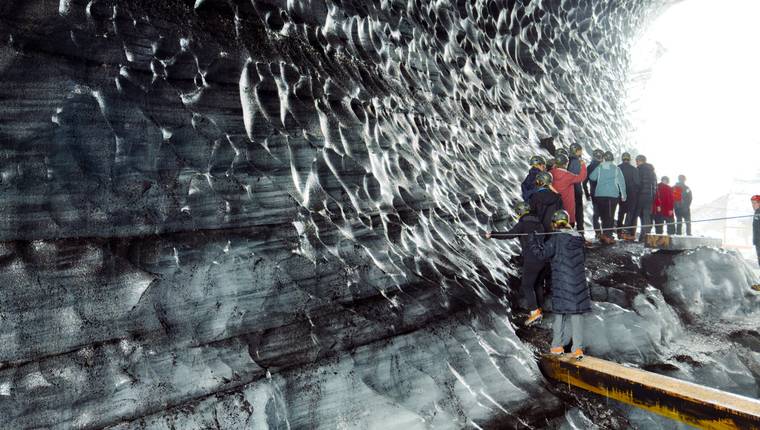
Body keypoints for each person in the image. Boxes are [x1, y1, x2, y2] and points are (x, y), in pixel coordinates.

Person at [529, 210, 590, 360]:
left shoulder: (556, 238)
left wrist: (533, 241)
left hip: (562, 282)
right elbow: (582, 259)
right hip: (578, 282)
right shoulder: (578, 238)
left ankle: (557, 346)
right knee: (577, 316)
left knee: (560, 315)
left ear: (555, 223)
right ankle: (577, 349)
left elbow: (541, 254)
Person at [485, 202, 546, 326]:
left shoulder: (522, 224)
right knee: (538, 283)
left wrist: (492, 234)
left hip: (531, 259)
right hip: (543, 258)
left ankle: (535, 313)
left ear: (520, 213)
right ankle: (540, 309)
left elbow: (509, 235)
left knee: (527, 285)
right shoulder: (539, 223)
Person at [589, 151, 627, 244]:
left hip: (600, 195)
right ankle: (608, 236)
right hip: (612, 195)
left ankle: (605, 235)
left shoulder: (600, 167)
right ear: (612, 159)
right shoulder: (616, 168)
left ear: (604, 158)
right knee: (610, 216)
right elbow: (621, 183)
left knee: (603, 216)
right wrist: (624, 195)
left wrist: (600, 171)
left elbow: (592, 177)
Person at [550, 153, 587, 229]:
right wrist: (583, 165)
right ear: (566, 164)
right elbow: (581, 177)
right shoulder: (568, 175)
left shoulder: (551, 173)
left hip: (554, 210)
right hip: (567, 210)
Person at [616, 152, 640, 240]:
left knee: (621, 212)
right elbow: (637, 183)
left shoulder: (617, 168)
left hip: (620, 194)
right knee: (630, 213)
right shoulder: (634, 169)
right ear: (629, 159)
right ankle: (626, 232)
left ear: (622, 159)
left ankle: (618, 232)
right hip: (631, 194)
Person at [635, 155, 657, 241]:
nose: (636, 162)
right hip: (649, 197)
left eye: (637, 161)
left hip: (640, 196)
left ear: (640, 161)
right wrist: (653, 197)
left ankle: (641, 236)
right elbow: (655, 186)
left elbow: (636, 183)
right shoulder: (652, 172)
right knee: (647, 216)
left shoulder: (638, 170)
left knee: (639, 215)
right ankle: (646, 235)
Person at [584, 149, 604, 239]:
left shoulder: (589, 167)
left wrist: (587, 194)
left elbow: (584, 182)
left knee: (596, 214)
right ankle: (606, 233)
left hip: (594, 193)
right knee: (606, 214)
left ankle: (598, 233)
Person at [568, 143, 585, 232]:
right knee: (578, 210)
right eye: (580, 150)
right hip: (576, 188)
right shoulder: (576, 162)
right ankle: (580, 231)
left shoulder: (567, 160)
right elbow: (577, 177)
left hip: (567, 189)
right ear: (577, 151)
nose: (581, 152)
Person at [753, 195, 760, 266]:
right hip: (757, 241)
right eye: (752, 203)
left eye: (755, 203)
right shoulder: (757, 212)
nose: (753, 205)